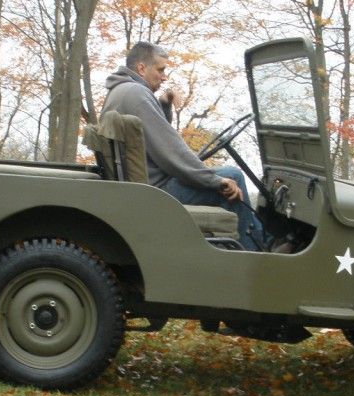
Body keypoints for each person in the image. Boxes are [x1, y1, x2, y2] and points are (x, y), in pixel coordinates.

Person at [102, 42, 268, 251]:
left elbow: (151, 140)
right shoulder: (137, 94)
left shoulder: (121, 90)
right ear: (142, 68)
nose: (164, 77)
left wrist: (163, 105)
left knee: (223, 176)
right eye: (160, 70)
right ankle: (258, 254)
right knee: (232, 177)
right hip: (155, 192)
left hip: (141, 188)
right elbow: (171, 153)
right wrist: (214, 180)